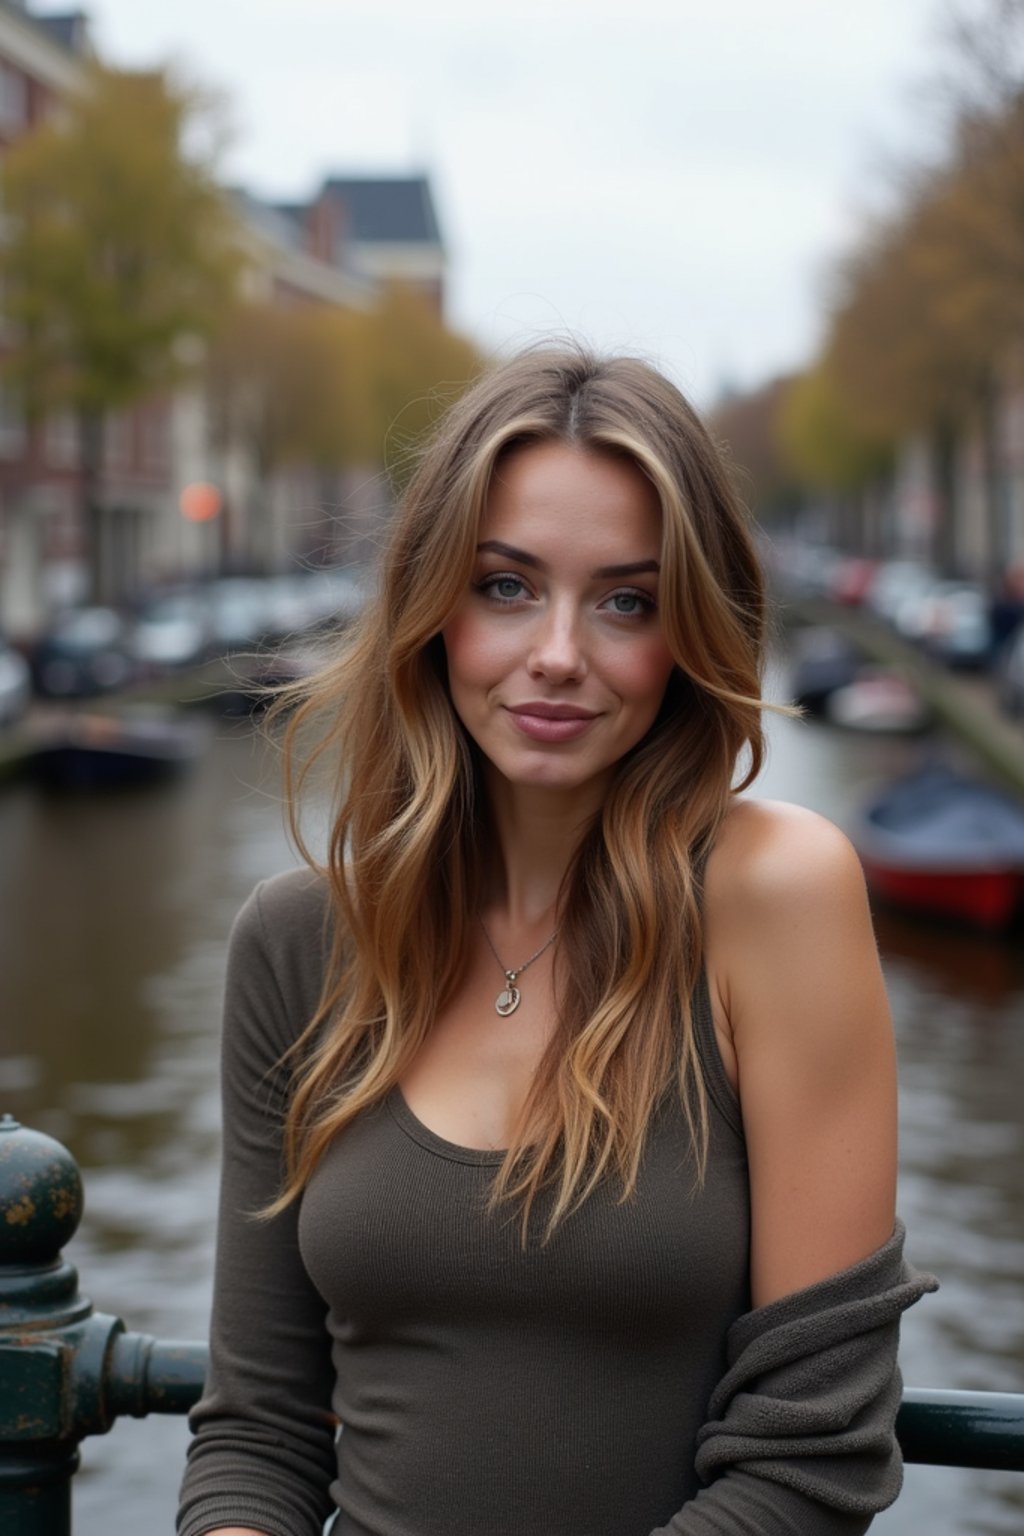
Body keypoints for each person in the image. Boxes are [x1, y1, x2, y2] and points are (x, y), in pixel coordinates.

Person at [177, 346, 935, 1536]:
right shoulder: (300, 941)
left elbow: (812, 1459)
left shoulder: (776, 897)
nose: (559, 654)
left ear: (690, 634)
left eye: (626, 601)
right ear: (432, 605)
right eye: (506, 586)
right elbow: (261, 1428)